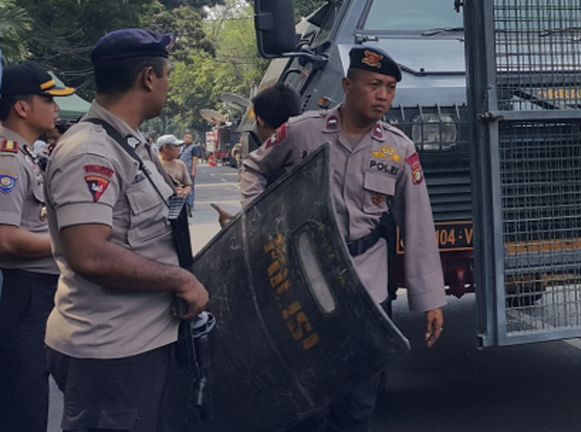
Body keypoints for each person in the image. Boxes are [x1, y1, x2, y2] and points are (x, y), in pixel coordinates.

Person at [240, 47, 445, 431]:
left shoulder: (399, 149)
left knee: (358, 400)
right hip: (305, 279)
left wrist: (431, 300)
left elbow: (418, 225)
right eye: (374, 85)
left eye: (390, 87)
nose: (383, 95)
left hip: (366, 285)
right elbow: (254, 166)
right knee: (309, 397)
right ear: (348, 86)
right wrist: (261, 220)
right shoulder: (303, 131)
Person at [44, 29, 209, 432]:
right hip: (110, 351)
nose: (168, 85)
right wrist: (180, 278)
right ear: (148, 78)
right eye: (167, 75)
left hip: (136, 341)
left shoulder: (126, 143)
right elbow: (90, 253)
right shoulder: (91, 151)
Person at [0, 63, 75, 432]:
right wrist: (69, 244)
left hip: (37, 293)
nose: (56, 108)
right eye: (48, 99)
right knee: (24, 405)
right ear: (22, 108)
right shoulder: (8, 159)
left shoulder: (25, 154)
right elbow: (6, 239)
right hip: (23, 293)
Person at [214, 82, 302, 228]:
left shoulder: (256, 167)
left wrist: (230, 225)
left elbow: (257, 225)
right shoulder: (319, 147)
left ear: (260, 120)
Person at [156, 133, 194, 203]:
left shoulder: (180, 164)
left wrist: (184, 192)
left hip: (177, 204)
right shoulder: (153, 164)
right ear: (165, 148)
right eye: (176, 146)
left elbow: (188, 185)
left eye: (179, 146)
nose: (179, 149)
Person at [178, 131, 203, 212]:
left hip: (189, 170)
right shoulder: (182, 147)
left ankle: (190, 204)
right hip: (181, 171)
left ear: (192, 140)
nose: (187, 139)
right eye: (185, 137)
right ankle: (184, 204)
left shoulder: (194, 148)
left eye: (189, 138)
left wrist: (193, 171)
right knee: (182, 187)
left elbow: (194, 160)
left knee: (190, 188)